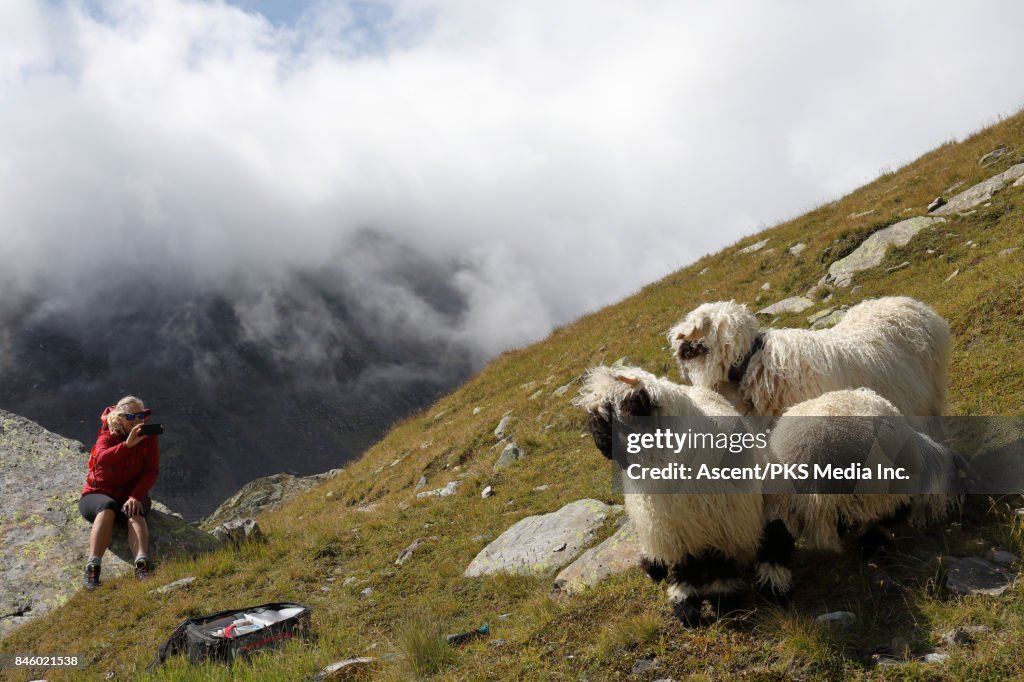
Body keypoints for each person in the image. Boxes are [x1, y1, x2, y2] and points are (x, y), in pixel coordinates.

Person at [78, 395, 160, 589]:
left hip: (129, 493)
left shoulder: (149, 436)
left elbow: (151, 470)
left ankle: (142, 565)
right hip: (97, 494)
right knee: (107, 507)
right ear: (121, 418)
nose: (138, 420)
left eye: (141, 415)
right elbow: (102, 459)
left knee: (134, 509)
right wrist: (127, 446)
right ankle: (92, 569)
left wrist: (136, 495)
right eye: (132, 417)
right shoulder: (108, 433)